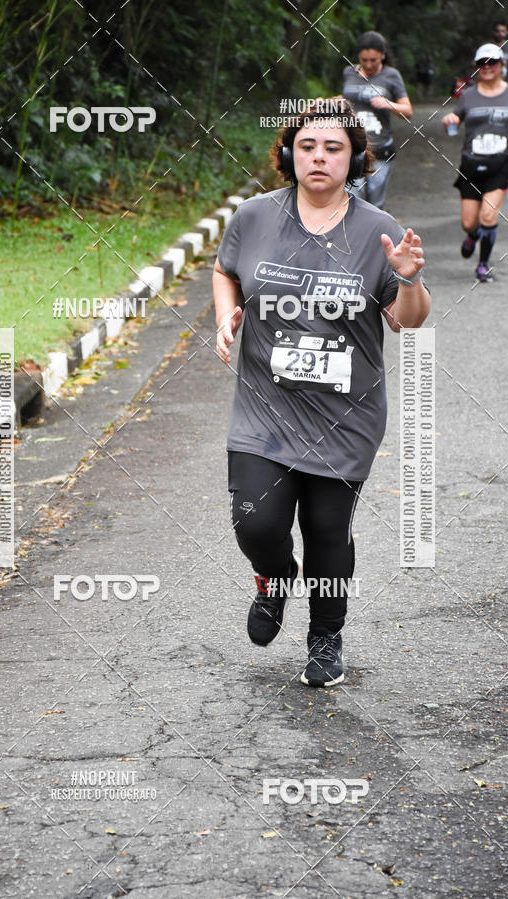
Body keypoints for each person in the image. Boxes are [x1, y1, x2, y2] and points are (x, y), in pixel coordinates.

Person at [213, 99, 430, 687]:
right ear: (288, 152)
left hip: (345, 417)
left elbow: (407, 321)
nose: (319, 157)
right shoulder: (255, 216)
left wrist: (406, 278)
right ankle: (274, 578)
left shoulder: (378, 231)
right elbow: (226, 269)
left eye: (334, 148)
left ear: (355, 158)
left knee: (328, 532)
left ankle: (325, 639)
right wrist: (226, 316)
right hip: (264, 409)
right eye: (307, 145)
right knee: (256, 523)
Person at [443, 43, 508, 282]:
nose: (487, 67)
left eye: (492, 62)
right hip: (471, 165)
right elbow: (455, 119)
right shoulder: (468, 95)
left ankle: (483, 265)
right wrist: (450, 118)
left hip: (500, 165)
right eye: (482, 63)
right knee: (469, 222)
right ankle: (472, 236)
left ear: (501, 65)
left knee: (488, 217)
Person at [342, 31, 412, 209]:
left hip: (380, 150)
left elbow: (408, 111)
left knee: (374, 204)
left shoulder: (392, 75)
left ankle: (375, 235)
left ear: (383, 55)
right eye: (364, 60)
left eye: (373, 60)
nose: (368, 64)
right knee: (353, 199)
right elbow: (344, 99)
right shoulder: (349, 72)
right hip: (353, 147)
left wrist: (388, 104)